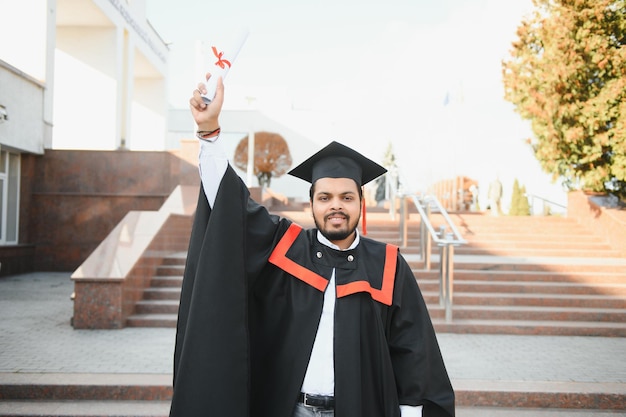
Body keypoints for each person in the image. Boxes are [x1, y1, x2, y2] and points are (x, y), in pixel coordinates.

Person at [169, 74, 455, 417]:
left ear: (360, 202)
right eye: (325, 197)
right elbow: (231, 209)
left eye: (346, 197)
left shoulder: (388, 266)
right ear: (312, 203)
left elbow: (414, 351)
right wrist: (210, 133)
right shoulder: (286, 248)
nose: (336, 206)